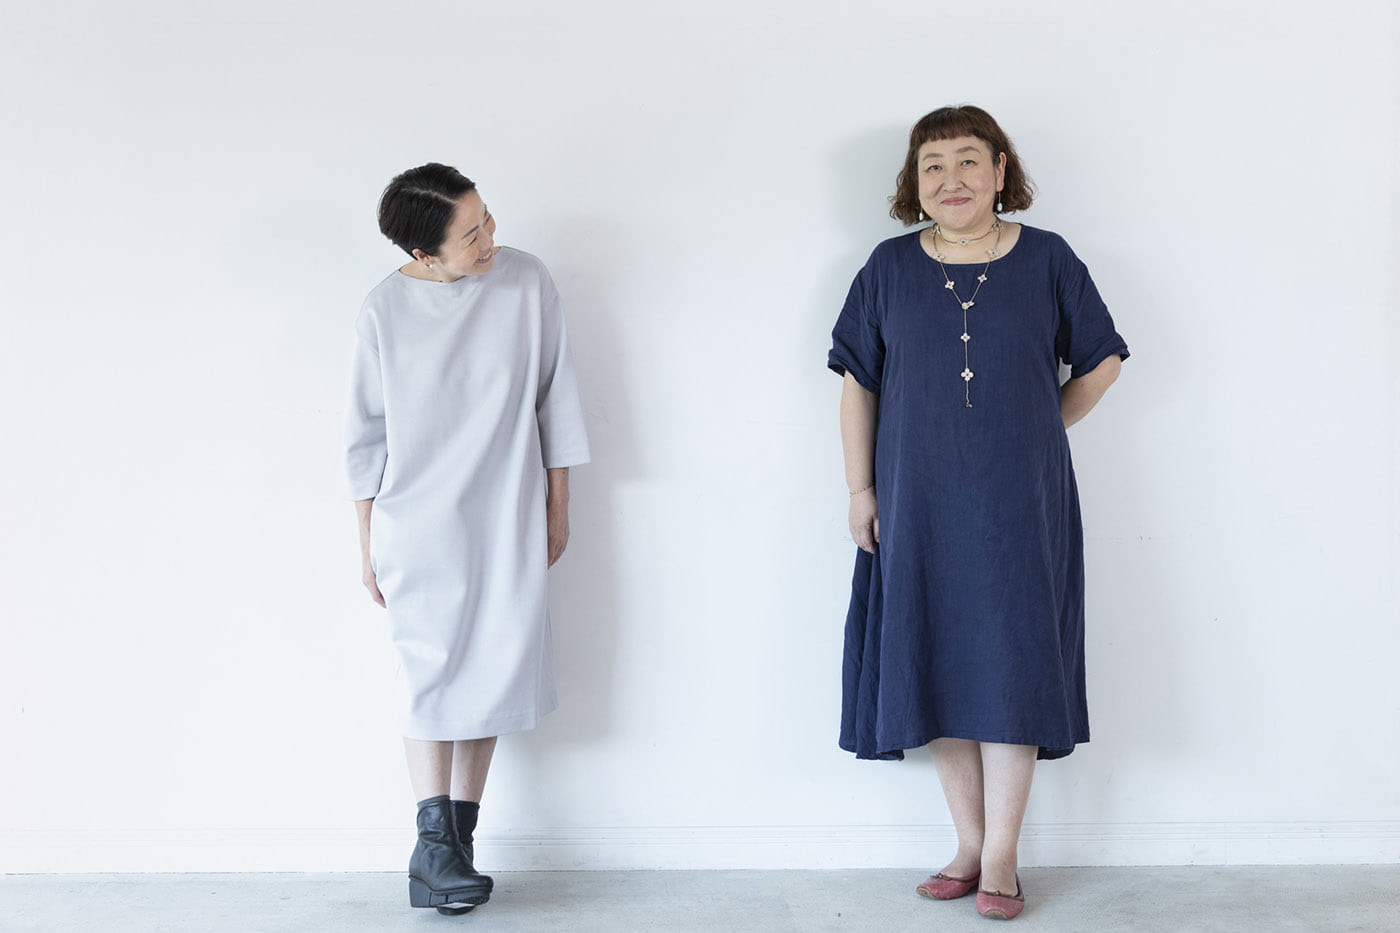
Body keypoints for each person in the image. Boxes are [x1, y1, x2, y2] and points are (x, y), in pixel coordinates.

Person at [828, 106, 1127, 921]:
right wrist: (861, 491)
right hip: (915, 499)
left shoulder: (1048, 259)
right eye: (932, 165)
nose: (950, 178)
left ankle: (1002, 856)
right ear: (913, 182)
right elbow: (858, 384)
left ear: (1001, 171)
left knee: (1012, 661)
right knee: (935, 658)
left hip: (1019, 503)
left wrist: (1040, 422)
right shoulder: (888, 267)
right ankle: (966, 844)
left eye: (968, 160)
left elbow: (1103, 359)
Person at [344, 163, 590, 914]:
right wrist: (366, 541)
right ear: (423, 253)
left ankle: (452, 851)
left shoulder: (526, 282)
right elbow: (365, 436)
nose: (490, 239)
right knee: (431, 672)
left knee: (493, 666)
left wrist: (557, 503)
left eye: (487, 219)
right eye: (470, 233)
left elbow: (555, 393)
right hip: (415, 519)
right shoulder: (384, 309)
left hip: (505, 509)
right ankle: (435, 846)